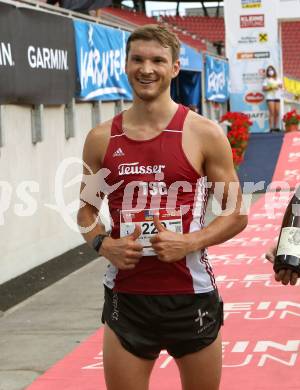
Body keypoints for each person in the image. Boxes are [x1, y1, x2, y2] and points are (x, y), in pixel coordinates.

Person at [77, 24, 247, 390]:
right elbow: (86, 212)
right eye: (137, 59)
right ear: (125, 65)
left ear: (174, 68)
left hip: (191, 298)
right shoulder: (101, 138)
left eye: (158, 60)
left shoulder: (204, 133)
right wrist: (103, 245)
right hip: (128, 301)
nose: (146, 69)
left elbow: (236, 213)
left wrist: (190, 241)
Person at [262, 65, 282, 132]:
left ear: (274, 71)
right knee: (272, 112)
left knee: (277, 112)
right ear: (267, 72)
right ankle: (271, 128)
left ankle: (276, 127)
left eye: (272, 70)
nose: (271, 71)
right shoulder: (266, 79)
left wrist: (279, 86)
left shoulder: (278, 79)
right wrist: (272, 87)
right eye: (269, 70)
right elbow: (264, 88)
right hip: (270, 97)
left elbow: (281, 86)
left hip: (277, 97)